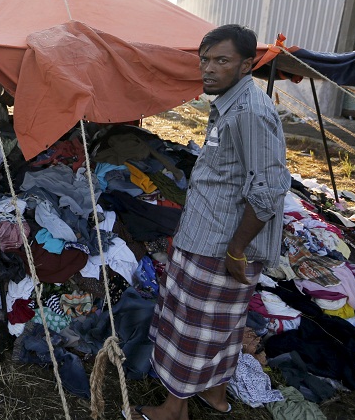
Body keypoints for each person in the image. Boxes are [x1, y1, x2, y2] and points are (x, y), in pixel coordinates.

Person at [132, 25, 290, 420]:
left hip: (219, 246)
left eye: (221, 60)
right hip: (206, 235)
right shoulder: (231, 106)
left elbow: (269, 188)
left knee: (191, 329)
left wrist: (237, 249)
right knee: (222, 327)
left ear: (246, 64)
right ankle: (216, 396)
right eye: (204, 59)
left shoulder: (250, 112)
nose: (208, 69)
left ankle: (174, 410)